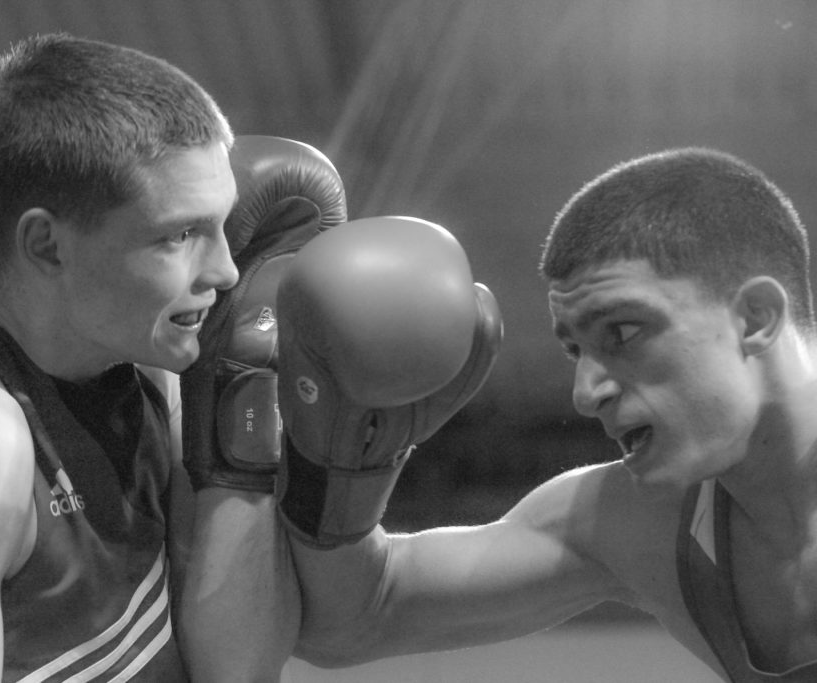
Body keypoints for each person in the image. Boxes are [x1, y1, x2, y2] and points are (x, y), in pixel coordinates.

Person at [0, 33, 346, 682]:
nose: (225, 270)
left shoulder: (154, 379)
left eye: (222, 224)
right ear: (48, 245)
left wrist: (234, 399)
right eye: (180, 234)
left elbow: (239, 669)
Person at [278, 147, 817, 682]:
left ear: (754, 318)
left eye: (623, 333)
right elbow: (357, 619)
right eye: (575, 351)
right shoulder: (635, 519)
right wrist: (339, 465)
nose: (586, 394)